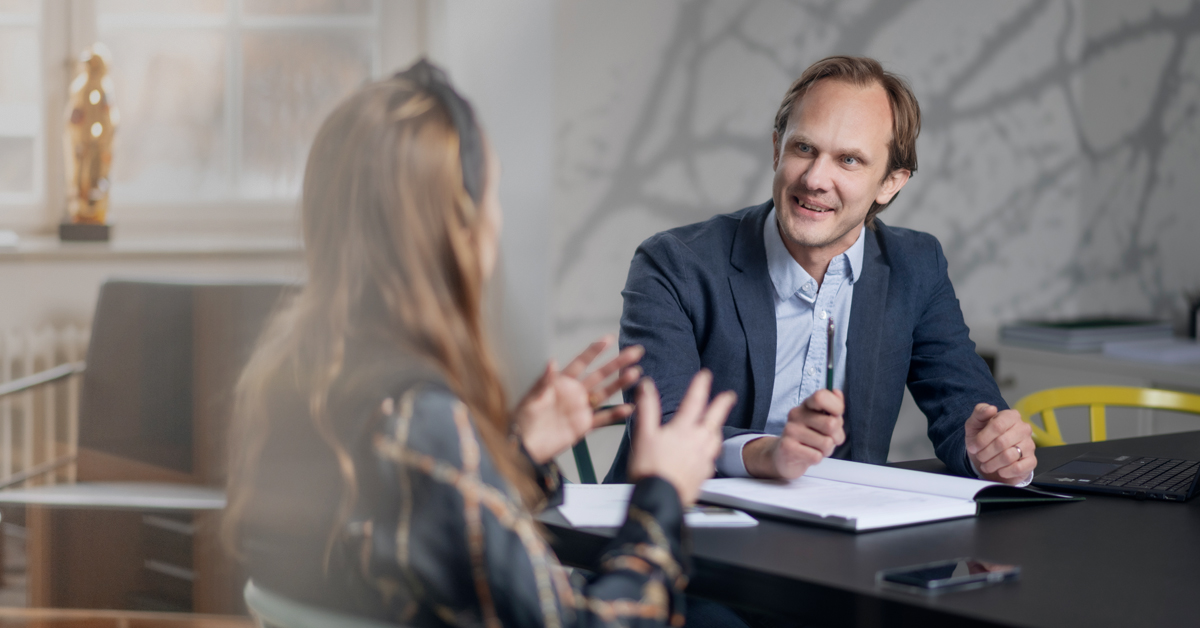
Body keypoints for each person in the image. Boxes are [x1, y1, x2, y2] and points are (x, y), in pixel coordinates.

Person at [223, 60, 735, 628]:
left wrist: (515, 453)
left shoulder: (294, 382)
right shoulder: (422, 420)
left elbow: (399, 546)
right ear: (459, 225)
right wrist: (662, 492)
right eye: (492, 192)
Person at [608, 55, 1035, 487]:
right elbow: (664, 428)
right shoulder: (674, 264)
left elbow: (963, 406)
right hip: (677, 527)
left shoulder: (916, 265)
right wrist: (770, 454)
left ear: (890, 182)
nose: (815, 178)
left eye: (849, 160)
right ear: (777, 149)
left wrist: (991, 450)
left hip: (840, 535)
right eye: (804, 148)